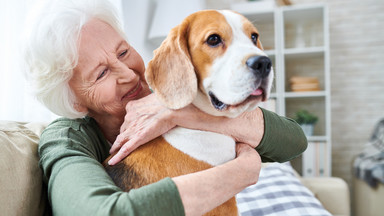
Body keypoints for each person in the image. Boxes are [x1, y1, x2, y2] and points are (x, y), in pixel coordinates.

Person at [24, 0, 307, 215]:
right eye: (101, 74)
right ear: (74, 100)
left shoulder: (174, 92)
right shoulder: (66, 138)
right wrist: (242, 172)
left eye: (123, 52)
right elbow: (102, 211)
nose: (128, 73)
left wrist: (180, 111)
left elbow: (293, 141)